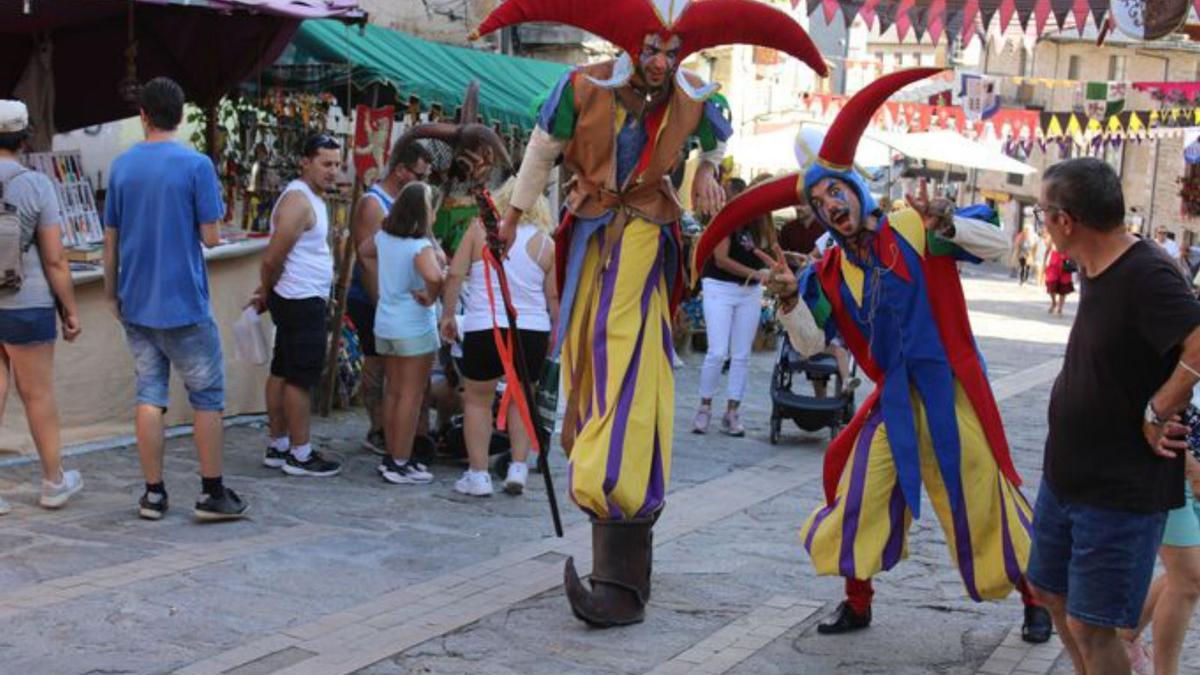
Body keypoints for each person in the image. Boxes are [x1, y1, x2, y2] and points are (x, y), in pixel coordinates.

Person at [473, 0, 826, 627]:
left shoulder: (694, 94)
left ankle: (620, 567)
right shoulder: (582, 85)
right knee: (588, 368)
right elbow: (542, 149)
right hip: (586, 232)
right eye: (653, 49)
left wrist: (705, 172)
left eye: (673, 50)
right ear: (631, 46)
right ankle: (625, 553)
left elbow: (715, 141)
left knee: (625, 365)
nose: (663, 61)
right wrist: (508, 216)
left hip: (645, 232)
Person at [695, 68, 1051, 642]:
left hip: (951, 390)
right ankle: (857, 601)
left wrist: (950, 225)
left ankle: (1036, 598)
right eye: (817, 201)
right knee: (858, 489)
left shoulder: (914, 225)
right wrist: (788, 300)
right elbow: (814, 345)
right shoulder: (830, 274)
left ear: (857, 188)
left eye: (835, 190)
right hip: (894, 401)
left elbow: (997, 245)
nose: (829, 204)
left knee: (984, 494)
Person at [1022, 157, 1200, 675]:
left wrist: (1162, 404)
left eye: (1041, 213)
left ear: (1066, 220)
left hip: (1119, 490)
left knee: (1094, 625)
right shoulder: (1093, 264)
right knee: (1050, 592)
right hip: (1067, 476)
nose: (1041, 224)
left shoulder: (1146, 272)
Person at [103, 77, 246, 521]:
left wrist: (112, 294)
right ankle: (211, 492)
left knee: (149, 393)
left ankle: (153, 494)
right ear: (181, 115)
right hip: (183, 301)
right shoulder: (196, 165)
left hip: (136, 301)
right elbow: (210, 235)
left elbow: (111, 240)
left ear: (143, 116)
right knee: (207, 396)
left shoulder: (122, 166)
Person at [440, 178, 558, 497]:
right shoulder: (546, 243)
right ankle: (517, 467)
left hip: (484, 324)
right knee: (522, 397)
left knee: (477, 400)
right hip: (530, 328)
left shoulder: (480, 231)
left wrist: (449, 314)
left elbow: (455, 274)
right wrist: (556, 331)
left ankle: (478, 474)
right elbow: (554, 297)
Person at [0, 100, 83, 514]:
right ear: (24, 137)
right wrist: (69, 309)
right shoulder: (36, 185)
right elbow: (55, 259)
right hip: (27, 302)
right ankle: (53, 481)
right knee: (37, 394)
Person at [255, 134, 342, 478]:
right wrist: (266, 289)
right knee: (299, 378)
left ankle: (278, 445)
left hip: (299, 296)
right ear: (306, 162)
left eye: (336, 164)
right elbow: (272, 257)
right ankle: (299, 453)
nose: (333, 171)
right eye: (326, 164)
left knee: (283, 370)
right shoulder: (298, 201)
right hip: (299, 299)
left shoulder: (311, 199)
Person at [347, 139, 433, 456]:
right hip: (375, 298)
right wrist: (381, 302)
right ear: (400, 171)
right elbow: (366, 257)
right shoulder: (374, 204)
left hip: (396, 299)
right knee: (378, 367)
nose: (422, 182)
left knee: (399, 376)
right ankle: (379, 428)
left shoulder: (409, 203)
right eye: (418, 175)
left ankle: (405, 433)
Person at [358, 181, 444, 485]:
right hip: (413, 327)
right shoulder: (418, 246)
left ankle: (392, 456)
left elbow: (363, 252)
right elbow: (435, 275)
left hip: (387, 322)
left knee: (393, 391)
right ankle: (401, 460)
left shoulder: (385, 238)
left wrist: (380, 289)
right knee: (411, 394)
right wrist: (431, 295)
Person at [693, 179, 774, 436]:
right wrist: (757, 273)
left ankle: (732, 411)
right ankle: (705, 406)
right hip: (720, 286)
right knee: (717, 351)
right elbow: (721, 259)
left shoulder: (763, 222)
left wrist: (776, 268)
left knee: (741, 355)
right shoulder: (727, 217)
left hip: (748, 291)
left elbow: (770, 250)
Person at [1120, 416, 1200, 675]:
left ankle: (1124, 637)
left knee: (1187, 573)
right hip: (1173, 463)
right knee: (1188, 579)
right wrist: (1189, 467)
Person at [1043, 242, 1074, 316]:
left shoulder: (1070, 237)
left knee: (1063, 287)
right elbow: (1047, 251)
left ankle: (1060, 308)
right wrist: (1044, 263)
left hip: (1066, 263)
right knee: (1051, 284)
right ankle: (1054, 302)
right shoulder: (1054, 238)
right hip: (1054, 264)